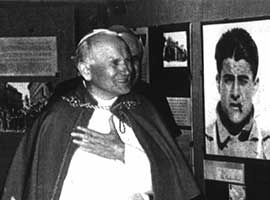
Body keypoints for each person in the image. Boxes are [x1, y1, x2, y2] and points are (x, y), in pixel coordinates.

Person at [1, 29, 200, 200]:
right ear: (86, 70)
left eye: (128, 60)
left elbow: (171, 182)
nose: (127, 70)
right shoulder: (58, 116)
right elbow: (42, 185)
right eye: (115, 63)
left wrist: (123, 153)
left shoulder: (143, 109)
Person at [205, 27, 270, 159]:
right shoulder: (202, 142)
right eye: (228, 80)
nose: (235, 92)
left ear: (255, 84)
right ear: (218, 82)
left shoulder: (268, 147)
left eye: (243, 81)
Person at [109, 25, 180, 138]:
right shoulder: (77, 96)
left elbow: (169, 150)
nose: (128, 69)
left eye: (134, 59)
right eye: (117, 61)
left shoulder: (153, 97)